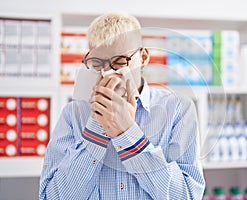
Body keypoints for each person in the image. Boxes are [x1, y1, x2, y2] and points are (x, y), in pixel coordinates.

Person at [39, 12, 205, 199]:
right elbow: (51, 196)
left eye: (119, 62)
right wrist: (97, 127)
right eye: (97, 63)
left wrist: (127, 133)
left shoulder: (177, 110)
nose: (108, 73)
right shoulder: (73, 114)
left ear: (143, 58)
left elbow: (188, 196)